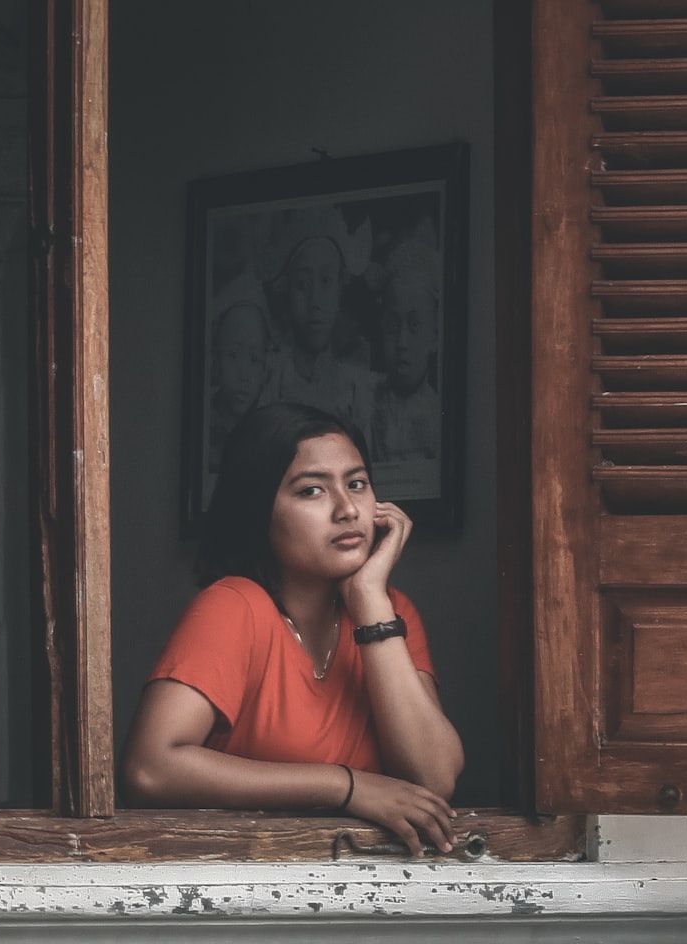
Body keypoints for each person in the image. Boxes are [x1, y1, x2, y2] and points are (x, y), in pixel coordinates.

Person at [120, 402, 465, 856]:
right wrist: (347, 787)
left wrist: (368, 600)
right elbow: (149, 769)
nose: (347, 510)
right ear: (260, 510)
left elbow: (434, 779)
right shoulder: (234, 607)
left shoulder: (389, 611)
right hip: (244, 887)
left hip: (373, 896)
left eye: (357, 484)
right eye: (311, 491)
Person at [255, 206, 376, 441]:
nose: (315, 302)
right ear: (286, 289)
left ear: (340, 288)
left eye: (326, 281)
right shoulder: (271, 382)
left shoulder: (356, 387)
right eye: (302, 284)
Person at [371, 239, 442, 462]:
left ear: (434, 336)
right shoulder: (366, 405)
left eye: (414, 326)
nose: (402, 342)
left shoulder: (435, 415)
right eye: (393, 326)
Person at [207, 273, 274, 471]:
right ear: (216, 360)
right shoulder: (206, 429)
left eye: (254, 360)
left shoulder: (270, 432)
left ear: (265, 369)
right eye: (234, 356)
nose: (243, 375)